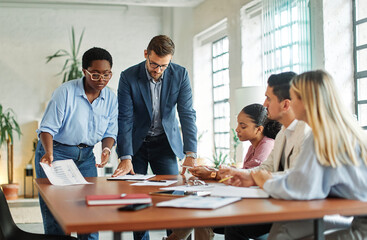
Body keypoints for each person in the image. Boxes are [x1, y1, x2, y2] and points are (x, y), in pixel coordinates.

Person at [248, 70, 367, 239]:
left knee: (282, 234)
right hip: (357, 220)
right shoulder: (342, 130)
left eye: (294, 98)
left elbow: (300, 187)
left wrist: (264, 181)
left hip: (360, 227)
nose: (290, 104)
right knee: (283, 230)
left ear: (306, 101)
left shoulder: (321, 136)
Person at [113, 35, 197, 240]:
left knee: (171, 199)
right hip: (136, 145)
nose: (158, 70)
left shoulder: (180, 75)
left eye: (163, 66)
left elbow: (187, 114)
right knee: (137, 201)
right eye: (154, 64)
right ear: (146, 54)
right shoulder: (128, 76)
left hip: (165, 143)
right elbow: (124, 118)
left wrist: (191, 152)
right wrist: (125, 156)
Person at [35, 47, 117, 240]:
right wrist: (48, 152)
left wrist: (106, 148)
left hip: (87, 157)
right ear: (84, 72)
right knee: (56, 212)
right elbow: (46, 128)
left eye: (106, 74)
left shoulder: (111, 98)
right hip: (56, 153)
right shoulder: (65, 92)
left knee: (89, 211)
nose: (102, 80)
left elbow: (110, 131)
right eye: (95, 74)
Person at [165, 103, 281, 240]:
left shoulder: (267, 145)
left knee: (203, 211)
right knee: (199, 205)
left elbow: (246, 175)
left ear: (259, 129)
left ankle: (174, 238)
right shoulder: (253, 147)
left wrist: (214, 174)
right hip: (246, 198)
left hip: (255, 204)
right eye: (238, 124)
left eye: (243, 126)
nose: (237, 129)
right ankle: (174, 238)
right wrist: (214, 172)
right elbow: (243, 173)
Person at [219, 71, 311, 240]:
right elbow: (266, 167)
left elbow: (298, 178)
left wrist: (257, 178)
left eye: (269, 98)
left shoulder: (307, 134)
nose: (264, 103)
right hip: (279, 201)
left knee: (235, 223)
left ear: (285, 105)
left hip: (298, 210)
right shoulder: (284, 133)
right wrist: (240, 174)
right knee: (232, 221)